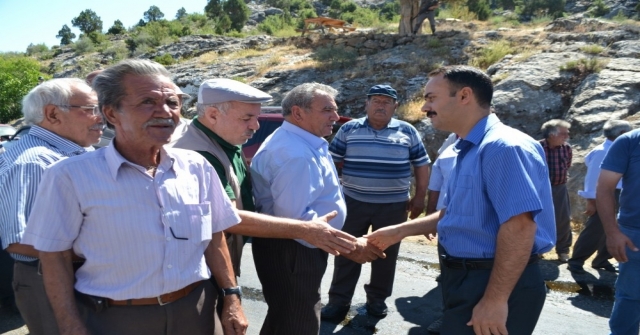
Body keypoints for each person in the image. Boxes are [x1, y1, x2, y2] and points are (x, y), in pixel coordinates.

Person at [21, 59, 247, 335]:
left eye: (173, 103)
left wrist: (232, 297)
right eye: (147, 102)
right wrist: (70, 325)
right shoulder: (69, 176)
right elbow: (53, 256)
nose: (165, 112)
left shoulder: (196, 166)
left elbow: (214, 237)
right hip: (115, 319)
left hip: (195, 312)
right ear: (111, 114)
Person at [366, 65, 556, 335]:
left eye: (431, 98)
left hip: (494, 281)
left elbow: (520, 227)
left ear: (464, 96)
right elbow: (456, 211)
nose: (424, 108)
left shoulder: (503, 148)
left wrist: (494, 300)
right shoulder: (466, 147)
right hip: (468, 278)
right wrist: (399, 231)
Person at [169, 78, 357, 299]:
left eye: (256, 117)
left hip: (219, 260)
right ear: (212, 115)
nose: (255, 126)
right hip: (202, 271)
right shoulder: (200, 153)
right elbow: (227, 217)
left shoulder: (224, 140)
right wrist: (309, 231)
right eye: (247, 118)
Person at [251, 82, 380, 335]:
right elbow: (298, 221)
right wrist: (350, 247)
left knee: (284, 319)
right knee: (299, 323)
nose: (335, 116)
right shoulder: (295, 153)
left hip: (298, 248)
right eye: (327, 110)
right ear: (298, 113)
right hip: (295, 250)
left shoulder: (301, 142)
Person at [0, 78, 104, 335]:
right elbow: (19, 241)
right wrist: (104, 250)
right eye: (91, 109)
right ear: (53, 114)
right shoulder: (35, 162)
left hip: (73, 278)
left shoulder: (72, 152)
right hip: (47, 282)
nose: (102, 117)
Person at [321, 84, 430, 320]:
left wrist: (420, 197)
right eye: (376, 101)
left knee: (386, 254)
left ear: (395, 106)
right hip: (352, 203)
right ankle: (339, 302)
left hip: (393, 206)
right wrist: (330, 196)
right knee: (347, 250)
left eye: (387, 101)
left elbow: (421, 164)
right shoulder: (349, 129)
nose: (381, 105)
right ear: (367, 104)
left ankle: (377, 300)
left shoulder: (407, 131)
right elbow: (330, 164)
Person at [568, 120, 632, 274]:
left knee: (617, 228)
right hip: (606, 194)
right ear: (622, 134)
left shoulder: (620, 149)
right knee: (595, 229)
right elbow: (592, 178)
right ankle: (576, 260)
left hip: (621, 194)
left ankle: (602, 260)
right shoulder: (602, 151)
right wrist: (592, 200)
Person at [597, 126, 640, 335]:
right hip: (635, 237)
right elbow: (604, 188)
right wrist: (612, 232)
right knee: (630, 299)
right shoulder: (630, 141)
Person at [540, 119, 573, 263]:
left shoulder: (566, 148)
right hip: (540, 189)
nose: (566, 136)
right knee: (538, 219)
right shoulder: (537, 147)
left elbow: (567, 165)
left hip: (560, 188)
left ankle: (563, 251)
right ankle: (537, 249)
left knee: (563, 220)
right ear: (551, 134)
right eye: (563, 133)